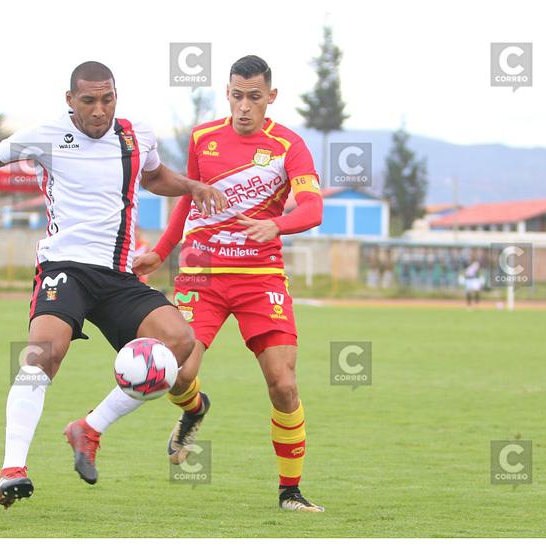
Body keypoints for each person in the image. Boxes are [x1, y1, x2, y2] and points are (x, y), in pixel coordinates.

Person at [0, 61, 227, 509]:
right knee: (43, 354)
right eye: (88, 100)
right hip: (65, 267)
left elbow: (152, 176)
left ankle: (88, 429)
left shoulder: (135, 134)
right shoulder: (46, 135)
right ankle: (13, 469)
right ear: (70, 100)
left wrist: (191, 185)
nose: (99, 110)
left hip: (118, 273)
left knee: (180, 344)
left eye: (107, 99)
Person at [133, 55, 325, 512]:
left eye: (254, 97)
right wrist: (162, 251)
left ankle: (290, 492)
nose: (243, 106)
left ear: (270, 97)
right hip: (203, 275)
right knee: (178, 374)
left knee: (282, 383)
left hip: (261, 279)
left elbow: (313, 208)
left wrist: (278, 226)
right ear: (228, 93)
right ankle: (194, 409)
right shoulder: (204, 138)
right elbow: (187, 201)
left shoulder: (289, 145)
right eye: (236, 95)